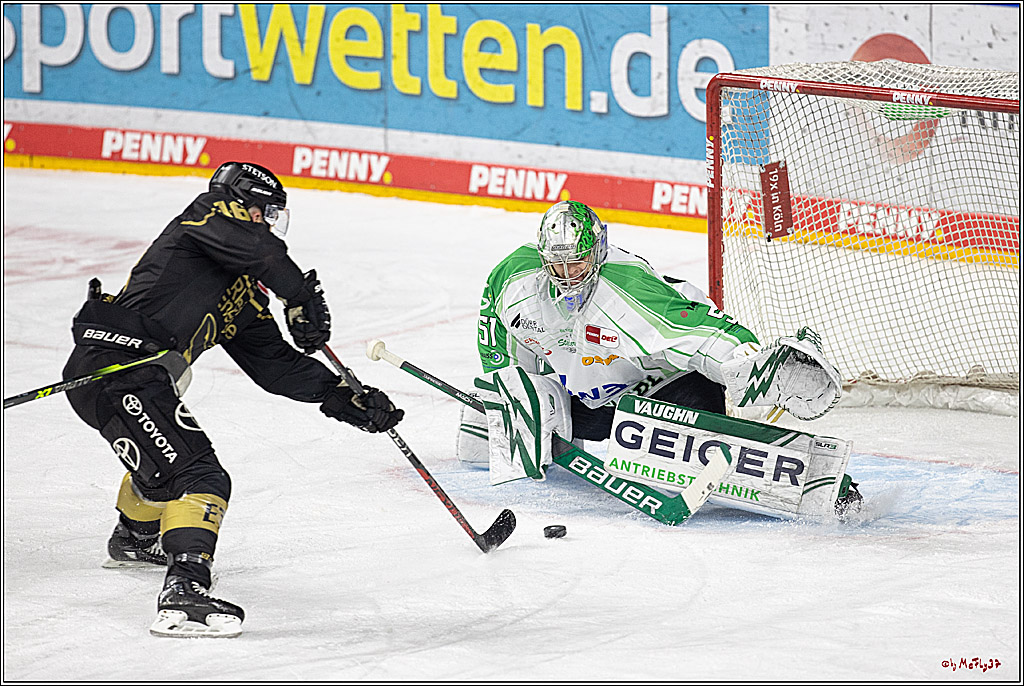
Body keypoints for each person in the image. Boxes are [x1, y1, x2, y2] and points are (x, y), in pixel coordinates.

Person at [62, 161, 404, 638]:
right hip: (118, 370)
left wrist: (342, 396)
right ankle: (184, 588)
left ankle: (138, 536)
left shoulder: (243, 295)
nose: (267, 223)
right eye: (265, 212)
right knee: (201, 477)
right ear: (244, 204)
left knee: (170, 465)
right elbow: (263, 252)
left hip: (135, 381)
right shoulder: (203, 218)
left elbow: (276, 367)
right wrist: (300, 294)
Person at [461, 200, 861, 512]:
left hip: (666, 389)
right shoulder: (513, 280)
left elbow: (702, 329)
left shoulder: (628, 287)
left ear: (597, 251)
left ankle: (812, 478)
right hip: (591, 400)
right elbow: (495, 337)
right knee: (483, 424)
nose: (567, 275)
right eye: (557, 265)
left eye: (577, 263)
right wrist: (511, 397)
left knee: (698, 444)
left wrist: (750, 365)